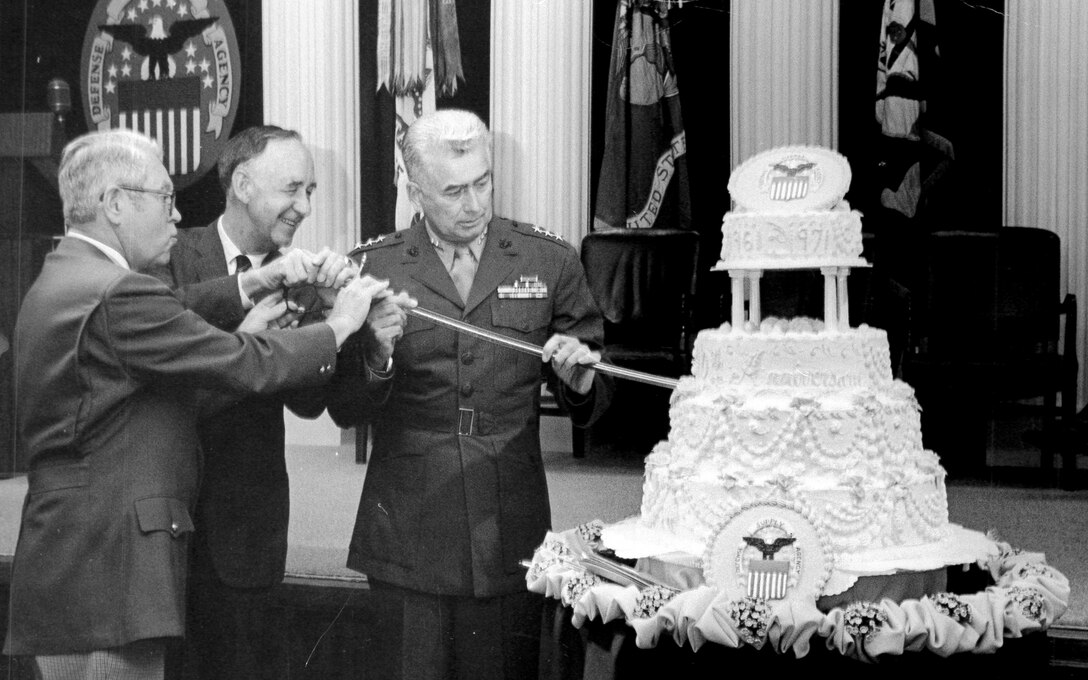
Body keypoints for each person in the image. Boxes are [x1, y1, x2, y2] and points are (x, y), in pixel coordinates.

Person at [2, 128, 389, 679]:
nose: (177, 215)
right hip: (112, 568)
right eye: (164, 198)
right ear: (115, 204)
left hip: (73, 561)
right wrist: (341, 324)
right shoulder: (119, 292)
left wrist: (256, 280)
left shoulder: (68, 274)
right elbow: (242, 362)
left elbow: (178, 304)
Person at [326, 108, 614, 680]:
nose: (475, 204)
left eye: (483, 182)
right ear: (414, 189)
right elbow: (343, 407)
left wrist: (581, 381)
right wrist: (377, 358)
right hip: (409, 522)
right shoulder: (372, 267)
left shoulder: (546, 259)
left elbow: (596, 386)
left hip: (508, 518)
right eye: (454, 191)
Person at [153, 124, 411, 680]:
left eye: (311, 191)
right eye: (292, 188)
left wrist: (370, 345)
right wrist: (249, 337)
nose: (304, 206)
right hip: (161, 523)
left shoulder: (302, 279)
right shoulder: (168, 258)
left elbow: (321, 405)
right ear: (242, 183)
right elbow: (161, 381)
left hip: (246, 530)